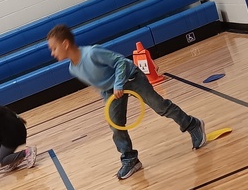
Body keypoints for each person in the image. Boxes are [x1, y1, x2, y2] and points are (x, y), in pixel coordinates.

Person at [46, 24, 206, 179]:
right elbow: (100, 84)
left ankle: (193, 124)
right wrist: (108, 101)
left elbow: (121, 62)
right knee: (115, 124)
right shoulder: (72, 69)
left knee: (160, 106)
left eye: (54, 48)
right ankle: (130, 159)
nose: (52, 53)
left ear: (65, 44)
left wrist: (119, 83)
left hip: (130, 77)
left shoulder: (92, 53)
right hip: (112, 90)